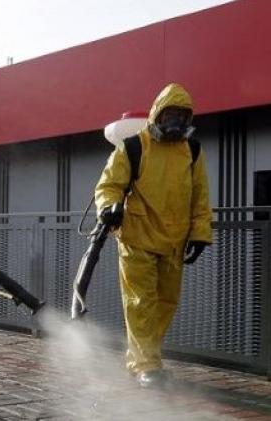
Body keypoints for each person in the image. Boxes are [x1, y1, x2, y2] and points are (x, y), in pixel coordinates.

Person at [95, 83, 212, 388]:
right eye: (170, 114)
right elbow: (108, 186)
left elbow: (200, 197)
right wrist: (109, 207)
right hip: (137, 238)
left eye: (181, 116)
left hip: (174, 242)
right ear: (157, 113)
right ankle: (146, 365)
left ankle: (144, 360)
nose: (175, 122)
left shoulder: (192, 151)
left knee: (165, 304)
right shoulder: (134, 147)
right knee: (140, 303)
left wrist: (200, 233)